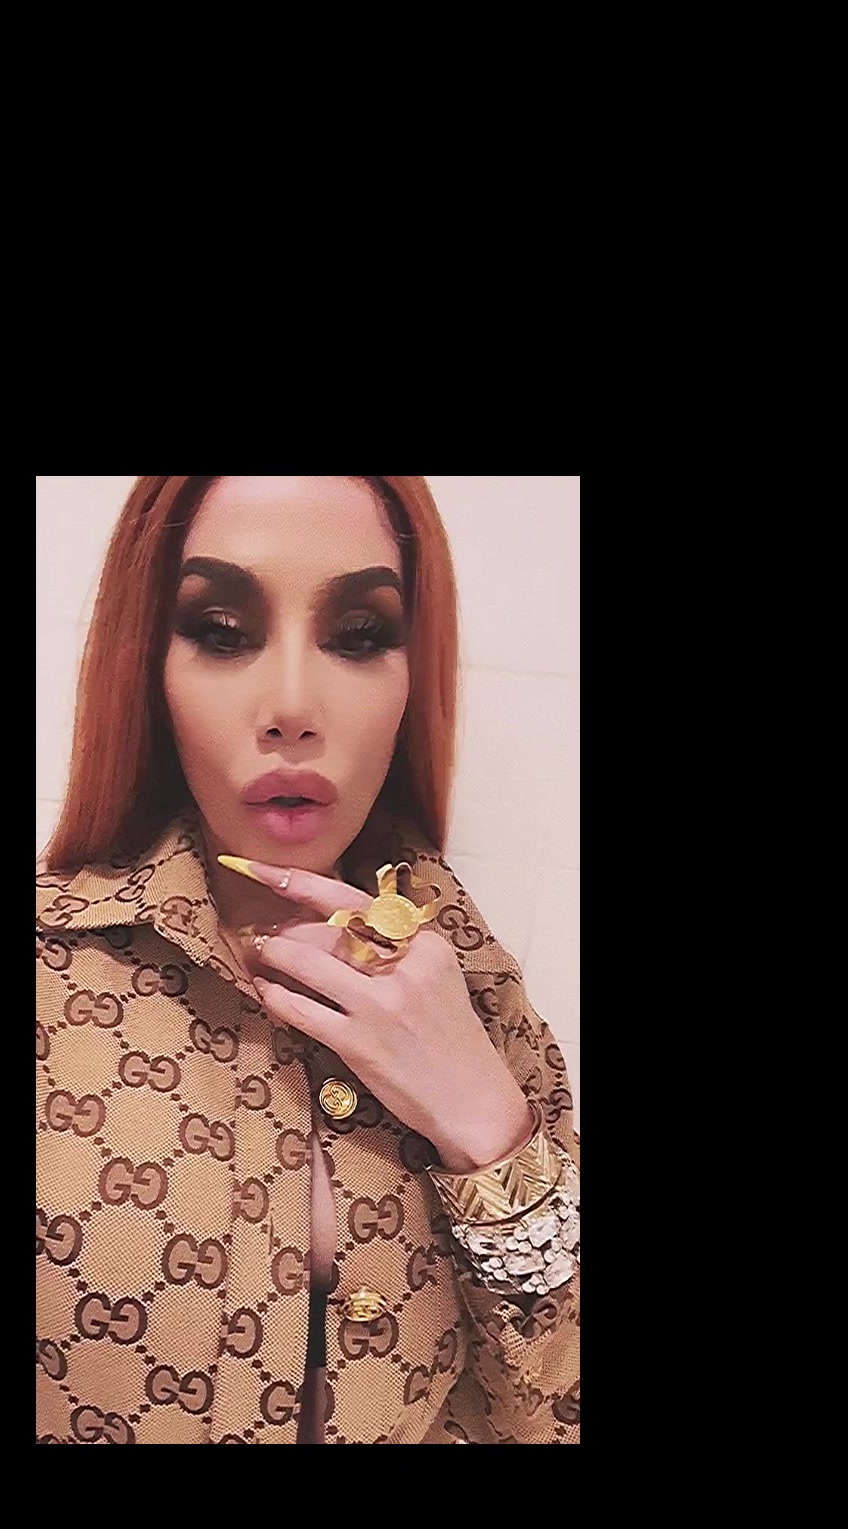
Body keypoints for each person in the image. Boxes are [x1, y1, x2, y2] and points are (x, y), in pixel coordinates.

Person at [37, 475, 579, 1445]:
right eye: (222, 632)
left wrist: (486, 1126)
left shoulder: (472, 990)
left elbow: (550, 1414)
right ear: (148, 664)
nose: (292, 706)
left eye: (360, 637)